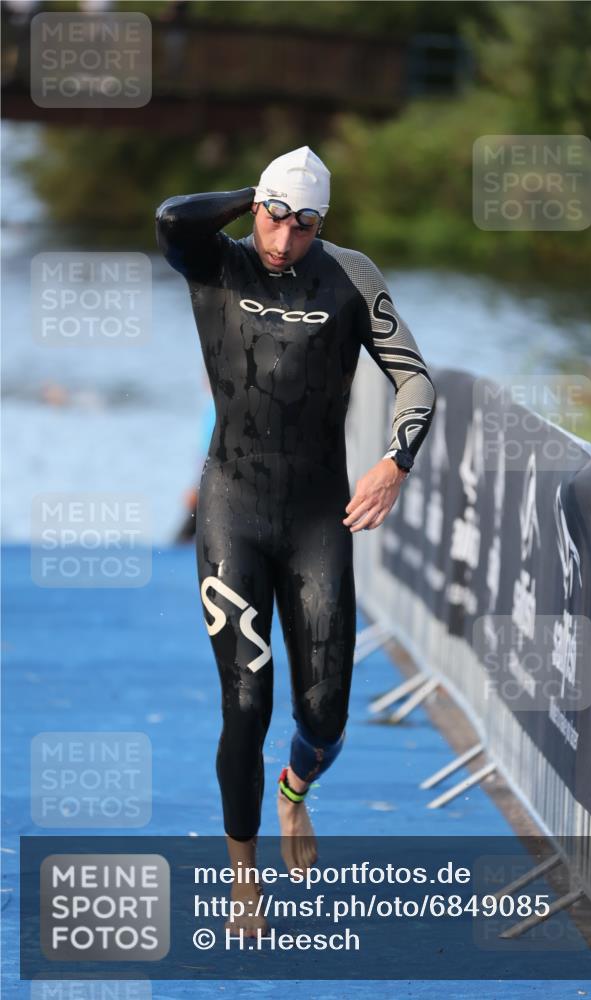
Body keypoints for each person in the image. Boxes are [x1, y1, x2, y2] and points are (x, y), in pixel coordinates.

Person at [155, 146, 436, 935]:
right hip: (232, 508)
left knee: (326, 712)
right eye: (275, 217)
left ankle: (294, 793)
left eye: (304, 224)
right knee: (245, 701)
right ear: (255, 209)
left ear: (324, 224)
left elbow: (414, 376)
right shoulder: (217, 261)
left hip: (318, 516)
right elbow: (170, 216)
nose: (284, 238)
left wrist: (395, 460)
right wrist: (259, 193)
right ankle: (243, 870)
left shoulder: (350, 275)